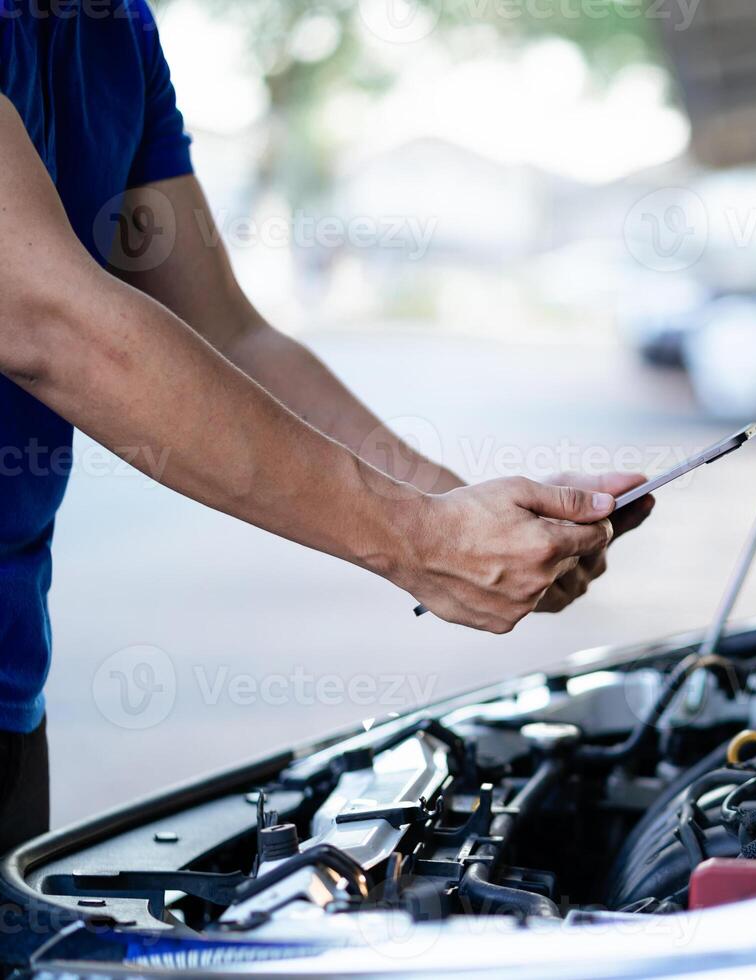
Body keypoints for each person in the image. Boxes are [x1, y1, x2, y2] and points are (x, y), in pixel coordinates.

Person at [0, 0, 654, 852]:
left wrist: (478, 516)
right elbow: (42, 316)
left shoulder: (115, 27)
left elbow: (232, 334)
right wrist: (421, 541)